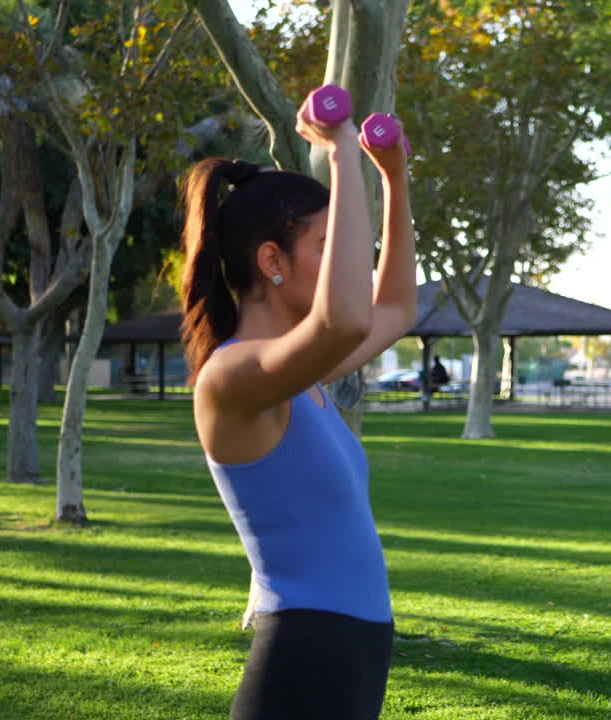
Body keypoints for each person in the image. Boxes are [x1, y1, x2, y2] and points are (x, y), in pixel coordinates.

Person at [178, 91, 416, 720]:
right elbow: (343, 321)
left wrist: (393, 178)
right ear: (272, 262)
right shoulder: (233, 378)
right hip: (305, 657)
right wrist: (338, 154)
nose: (346, 262)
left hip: (355, 654)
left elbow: (392, 311)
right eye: (326, 244)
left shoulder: (297, 374)